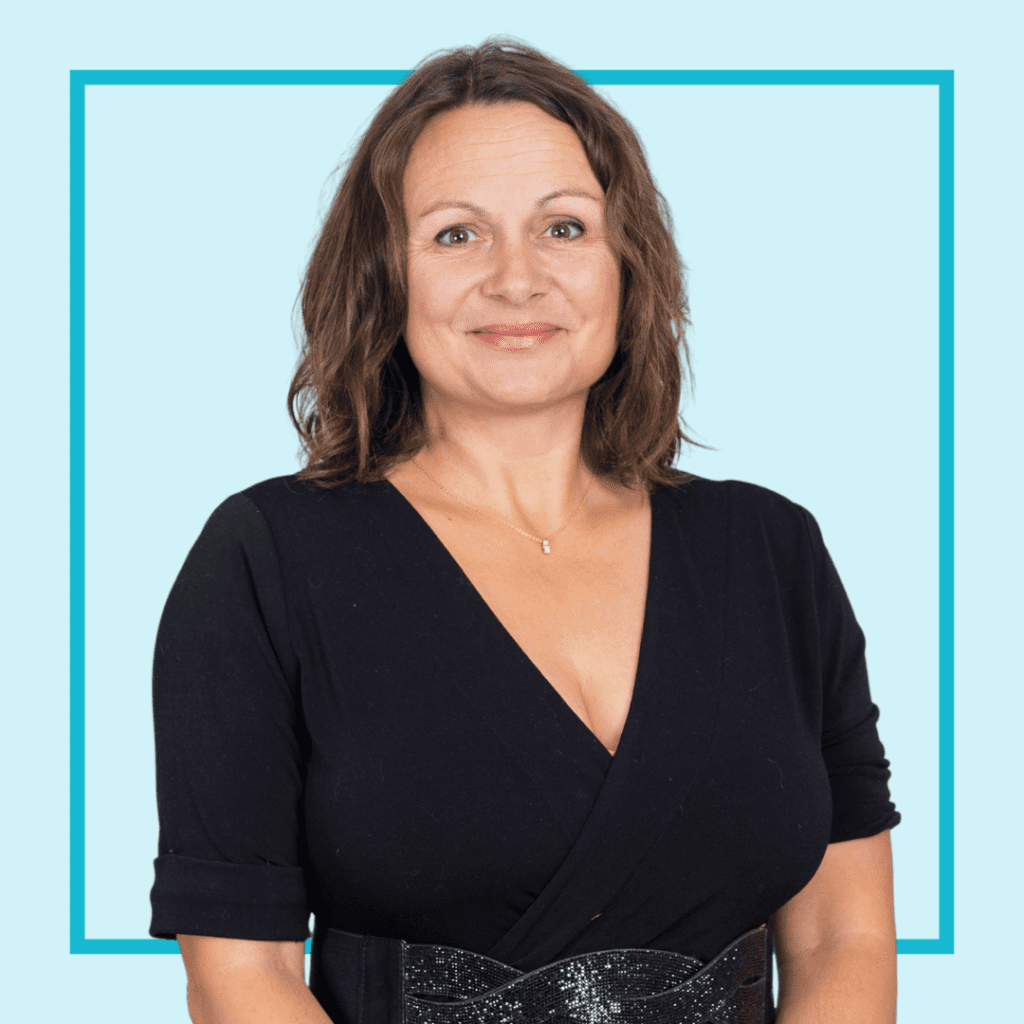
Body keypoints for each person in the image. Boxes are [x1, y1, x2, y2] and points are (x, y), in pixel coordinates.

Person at [148, 37, 901, 1024]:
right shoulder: (264, 561)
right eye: (457, 235)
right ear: (385, 277)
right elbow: (239, 979)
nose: (516, 278)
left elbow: (844, 937)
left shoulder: (773, 552)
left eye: (562, 227)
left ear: (626, 266)